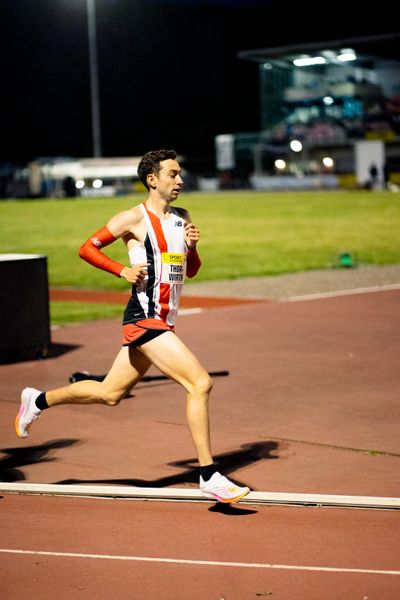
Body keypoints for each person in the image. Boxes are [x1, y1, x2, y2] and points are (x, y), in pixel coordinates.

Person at [15, 149, 250, 504]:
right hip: (144, 318)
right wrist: (120, 270)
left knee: (110, 394)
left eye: (180, 174)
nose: (180, 181)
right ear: (152, 180)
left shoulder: (182, 218)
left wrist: (193, 248)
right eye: (173, 174)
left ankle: (38, 399)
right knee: (200, 383)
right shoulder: (132, 218)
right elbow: (87, 248)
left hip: (164, 320)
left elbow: (191, 271)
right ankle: (208, 475)